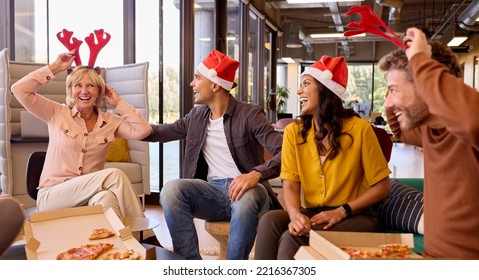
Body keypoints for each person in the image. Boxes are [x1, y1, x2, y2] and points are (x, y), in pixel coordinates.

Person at [142, 49, 283, 260]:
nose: (192, 83)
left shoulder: (250, 114)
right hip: (214, 194)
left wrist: (255, 175)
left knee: (245, 197)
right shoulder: (197, 116)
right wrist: (122, 112)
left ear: (215, 85)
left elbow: (286, 153)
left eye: (197, 78)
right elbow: (159, 132)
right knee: (171, 190)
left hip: (251, 193)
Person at [10, 50, 159, 244]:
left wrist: (119, 103)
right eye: (78, 85)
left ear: (99, 91)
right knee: (114, 175)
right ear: (70, 90)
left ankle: (120, 250)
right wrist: (55, 67)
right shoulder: (56, 112)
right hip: (53, 197)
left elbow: (143, 130)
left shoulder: (110, 121)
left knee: (106, 198)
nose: (84, 91)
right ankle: (147, 239)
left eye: (91, 86)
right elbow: (19, 89)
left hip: (90, 197)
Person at [254, 55, 391, 260]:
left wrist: (342, 211)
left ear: (326, 90)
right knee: (270, 221)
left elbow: (382, 187)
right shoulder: (294, 132)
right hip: (315, 213)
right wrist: (295, 215)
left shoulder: (360, 129)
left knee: (293, 239)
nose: (299, 91)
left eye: (306, 84)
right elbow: (290, 185)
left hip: (356, 215)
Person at [378, 27, 479, 259]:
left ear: (426, 85)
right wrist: (392, 92)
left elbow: (471, 121)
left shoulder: (466, 130)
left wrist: (419, 60)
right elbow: (400, 132)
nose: (389, 103)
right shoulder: (429, 130)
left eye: (394, 90)